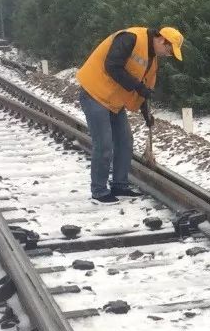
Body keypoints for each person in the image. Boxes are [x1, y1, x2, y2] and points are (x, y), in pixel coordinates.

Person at [75, 26, 183, 203]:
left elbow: (144, 90)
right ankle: (99, 191)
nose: (167, 55)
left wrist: (147, 114)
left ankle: (120, 185)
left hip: (114, 100)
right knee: (104, 144)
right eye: (169, 50)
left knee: (125, 141)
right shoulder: (130, 38)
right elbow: (112, 66)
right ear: (162, 40)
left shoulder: (152, 60)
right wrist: (138, 87)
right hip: (94, 93)